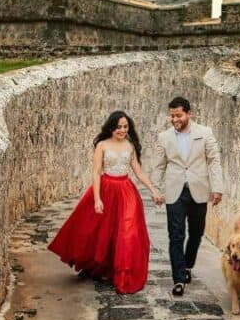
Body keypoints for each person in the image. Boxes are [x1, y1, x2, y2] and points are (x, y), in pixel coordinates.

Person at [48, 110, 162, 294]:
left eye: (125, 127)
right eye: (119, 127)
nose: (122, 130)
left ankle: (124, 275)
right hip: (106, 189)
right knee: (98, 231)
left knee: (127, 233)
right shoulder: (102, 145)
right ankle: (96, 265)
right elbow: (95, 172)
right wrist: (97, 199)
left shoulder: (130, 146)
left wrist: (153, 190)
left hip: (126, 191)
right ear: (111, 127)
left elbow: (139, 172)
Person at [152, 97, 223, 296]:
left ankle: (188, 265)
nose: (175, 119)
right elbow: (159, 166)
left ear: (189, 114)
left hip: (199, 190)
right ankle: (178, 279)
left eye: (179, 115)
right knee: (176, 235)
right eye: (172, 116)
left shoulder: (205, 133)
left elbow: (214, 161)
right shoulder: (164, 137)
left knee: (197, 232)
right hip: (174, 191)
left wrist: (217, 188)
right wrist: (156, 189)